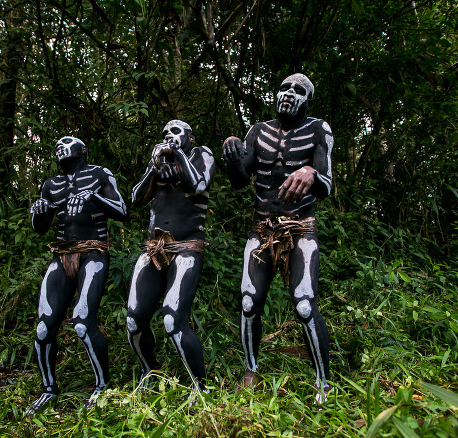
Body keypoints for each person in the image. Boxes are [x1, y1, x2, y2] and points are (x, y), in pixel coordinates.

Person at [222, 73, 334, 403]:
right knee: (247, 302)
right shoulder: (258, 131)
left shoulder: (318, 129)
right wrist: (232, 156)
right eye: (285, 88)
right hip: (262, 228)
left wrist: (311, 172)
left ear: (308, 101)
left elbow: (326, 185)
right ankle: (250, 371)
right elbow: (240, 180)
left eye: (299, 91)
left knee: (303, 303)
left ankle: (323, 380)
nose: (289, 93)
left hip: (300, 228)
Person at [26, 136, 127, 414]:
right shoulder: (50, 185)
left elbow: (122, 210)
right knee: (44, 327)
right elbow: (41, 228)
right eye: (57, 143)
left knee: (82, 323)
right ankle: (48, 389)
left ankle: (101, 386)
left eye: (68, 142)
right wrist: (39, 212)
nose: (60, 145)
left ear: (83, 149)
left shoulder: (99, 174)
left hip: (93, 253)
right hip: (61, 255)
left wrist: (93, 196)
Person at [127, 120, 215, 391]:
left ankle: (200, 386)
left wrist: (176, 155)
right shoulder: (159, 163)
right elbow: (135, 198)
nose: (168, 136)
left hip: (187, 248)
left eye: (175, 132)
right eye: (165, 133)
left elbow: (199, 185)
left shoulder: (201, 154)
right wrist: (153, 168)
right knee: (133, 320)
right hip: (154, 249)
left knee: (172, 318)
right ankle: (148, 371)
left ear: (190, 136)